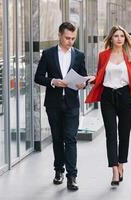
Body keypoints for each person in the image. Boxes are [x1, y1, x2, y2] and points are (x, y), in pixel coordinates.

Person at [34, 22, 95, 191]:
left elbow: (82, 78)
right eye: (67, 38)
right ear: (60, 35)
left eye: (73, 39)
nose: (70, 41)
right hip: (53, 104)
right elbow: (38, 77)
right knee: (58, 139)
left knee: (70, 139)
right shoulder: (48, 54)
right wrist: (53, 82)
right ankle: (58, 170)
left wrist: (84, 84)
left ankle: (72, 176)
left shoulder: (79, 55)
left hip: (72, 104)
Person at [85, 25, 131, 187]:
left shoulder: (130, 56)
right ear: (111, 38)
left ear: (125, 38)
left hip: (124, 97)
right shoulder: (103, 55)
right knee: (111, 134)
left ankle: (121, 164)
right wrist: (91, 79)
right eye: (116, 36)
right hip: (107, 96)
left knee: (124, 134)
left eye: (122, 36)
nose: (119, 39)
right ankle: (114, 170)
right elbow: (101, 75)